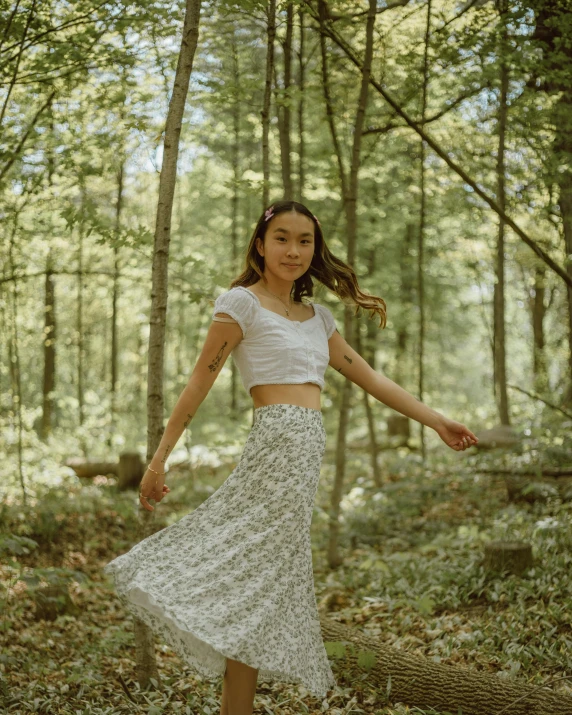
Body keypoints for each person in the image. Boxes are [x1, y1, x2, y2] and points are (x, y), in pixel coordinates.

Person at [103, 199, 478, 715]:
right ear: (260, 244)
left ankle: (237, 707)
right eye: (281, 238)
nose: (293, 250)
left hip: (302, 467)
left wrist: (436, 420)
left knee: (261, 590)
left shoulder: (316, 318)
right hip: (273, 454)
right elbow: (199, 382)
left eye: (305, 241)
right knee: (253, 584)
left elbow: (372, 378)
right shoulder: (241, 305)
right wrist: (158, 460)